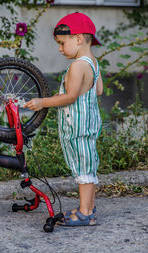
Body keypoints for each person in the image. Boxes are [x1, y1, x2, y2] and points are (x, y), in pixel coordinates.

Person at [24, 12, 103, 226]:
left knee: (83, 170)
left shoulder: (78, 66)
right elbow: (98, 90)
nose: (59, 48)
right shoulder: (93, 63)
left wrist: (44, 102)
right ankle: (89, 208)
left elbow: (70, 97)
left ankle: (86, 214)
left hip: (78, 128)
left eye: (61, 43)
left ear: (78, 39)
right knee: (87, 167)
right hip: (88, 125)